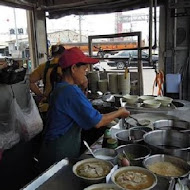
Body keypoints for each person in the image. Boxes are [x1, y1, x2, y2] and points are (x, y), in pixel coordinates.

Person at [38, 47, 130, 172]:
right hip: (58, 154)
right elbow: (97, 122)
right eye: (84, 70)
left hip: (52, 149)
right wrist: (120, 112)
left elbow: (79, 108)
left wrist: (83, 88)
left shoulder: (60, 87)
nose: (85, 73)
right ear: (73, 68)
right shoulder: (70, 91)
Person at [29, 45, 65, 114]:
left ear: (51, 54)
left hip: (46, 107)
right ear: (64, 54)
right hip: (63, 107)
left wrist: (40, 94)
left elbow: (29, 81)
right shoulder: (67, 66)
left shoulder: (44, 66)